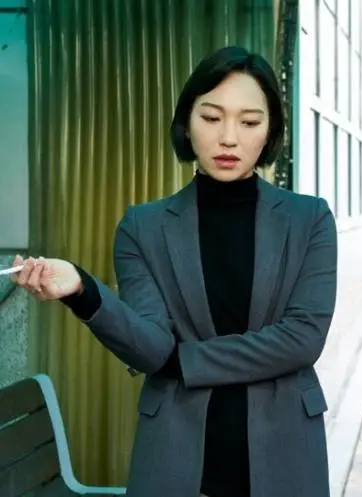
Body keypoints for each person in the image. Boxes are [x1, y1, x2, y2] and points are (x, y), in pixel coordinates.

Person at [12, 46, 337, 497]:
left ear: (270, 132)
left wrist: (183, 361)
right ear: (186, 122)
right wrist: (83, 290)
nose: (229, 138)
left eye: (249, 122)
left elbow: (302, 338)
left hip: (285, 451)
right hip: (175, 454)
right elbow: (152, 349)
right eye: (211, 117)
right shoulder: (142, 227)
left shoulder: (310, 220)